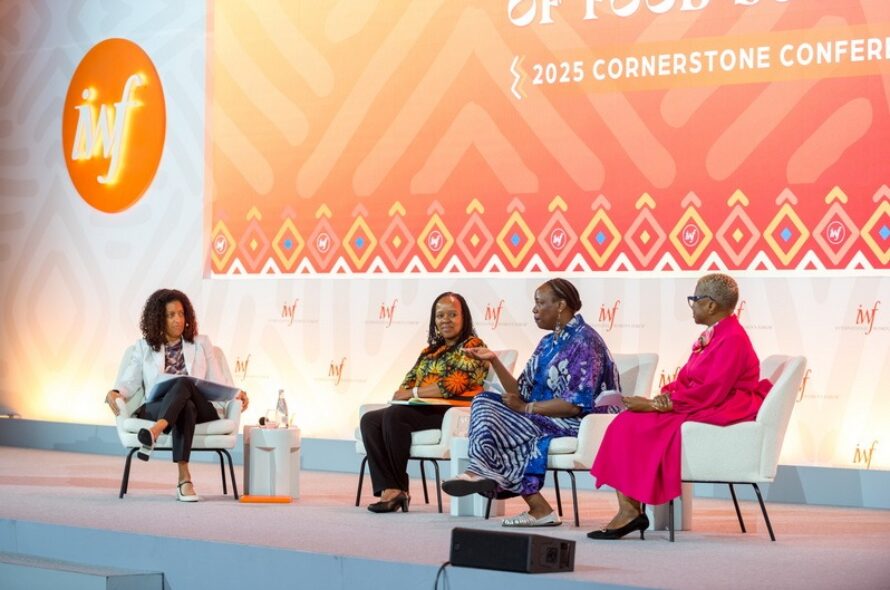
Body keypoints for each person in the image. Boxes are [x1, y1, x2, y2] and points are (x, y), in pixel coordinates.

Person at [588, 273, 772, 540]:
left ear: (710, 304)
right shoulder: (718, 333)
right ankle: (630, 509)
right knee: (628, 420)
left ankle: (630, 512)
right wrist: (665, 397)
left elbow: (711, 391)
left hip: (719, 407)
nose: (692, 305)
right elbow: (690, 378)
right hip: (703, 401)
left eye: (694, 299)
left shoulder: (732, 338)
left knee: (629, 423)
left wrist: (658, 405)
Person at [442, 278, 619, 527]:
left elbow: (574, 405)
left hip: (577, 422)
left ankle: (491, 477)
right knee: (484, 400)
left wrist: (525, 408)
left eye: (540, 303)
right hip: (542, 416)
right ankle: (491, 477)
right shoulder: (548, 342)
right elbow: (521, 392)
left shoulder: (585, 341)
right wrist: (493, 361)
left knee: (504, 426)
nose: (534, 310)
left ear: (561, 305)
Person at [105, 289, 249, 502]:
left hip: (201, 409)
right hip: (159, 405)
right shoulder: (144, 347)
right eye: (171, 315)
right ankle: (184, 479)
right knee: (185, 406)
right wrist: (116, 392)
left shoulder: (201, 344)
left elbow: (217, 380)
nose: (178, 320)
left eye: (181, 314)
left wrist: (236, 393)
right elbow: (131, 380)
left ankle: (156, 430)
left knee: (184, 383)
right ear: (158, 319)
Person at [360, 292, 488, 513]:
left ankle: (397, 489)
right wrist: (409, 392)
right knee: (370, 420)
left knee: (394, 415)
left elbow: (453, 384)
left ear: (464, 317)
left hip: (453, 411)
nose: (445, 320)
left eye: (452, 314)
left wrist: (414, 392)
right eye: (440, 315)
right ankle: (390, 487)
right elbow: (406, 384)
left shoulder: (473, 346)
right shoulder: (430, 351)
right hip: (423, 409)